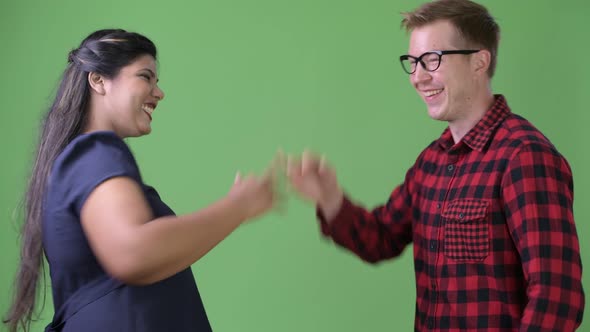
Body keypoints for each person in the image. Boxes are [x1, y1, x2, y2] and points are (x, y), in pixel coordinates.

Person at [287, 0, 585, 330]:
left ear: (479, 61)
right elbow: (381, 238)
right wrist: (330, 199)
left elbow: (557, 297)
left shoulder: (524, 156)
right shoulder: (430, 163)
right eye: (413, 62)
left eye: (432, 60)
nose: (418, 77)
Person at [4, 29, 277, 332]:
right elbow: (133, 252)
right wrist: (236, 207)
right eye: (145, 77)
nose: (159, 92)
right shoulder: (95, 153)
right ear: (98, 80)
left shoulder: (78, 162)